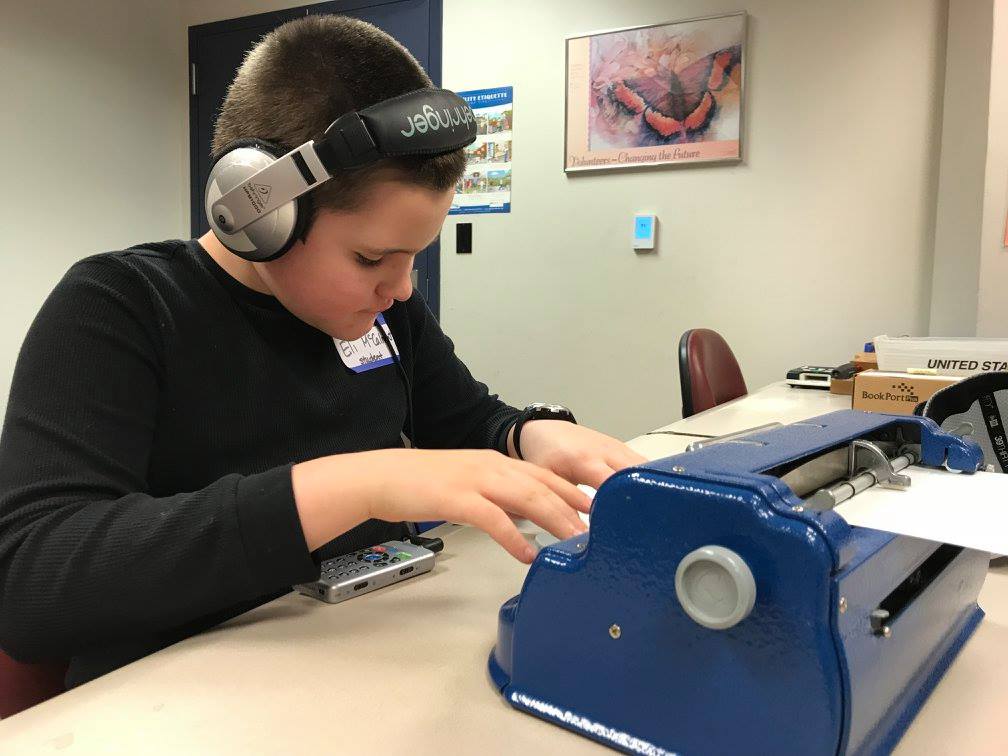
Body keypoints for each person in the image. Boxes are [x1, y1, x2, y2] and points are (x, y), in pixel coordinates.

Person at [0, 15, 645, 688]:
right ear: (259, 214)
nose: (399, 290)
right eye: (371, 257)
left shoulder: (383, 309)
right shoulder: (121, 307)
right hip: (176, 706)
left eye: (412, 260)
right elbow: (30, 578)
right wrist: (348, 485)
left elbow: (466, 422)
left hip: (356, 671)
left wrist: (525, 435)